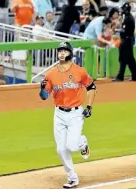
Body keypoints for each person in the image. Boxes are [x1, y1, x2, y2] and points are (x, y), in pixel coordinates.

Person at [39, 41, 97, 188]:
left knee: (72, 146)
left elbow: (91, 88)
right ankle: (72, 177)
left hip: (76, 113)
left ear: (70, 53)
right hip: (59, 113)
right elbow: (44, 96)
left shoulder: (79, 71)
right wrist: (41, 89)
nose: (62, 53)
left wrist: (89, 106)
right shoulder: (51, 74)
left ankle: (82, 142)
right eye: (60, 51)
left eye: (64, 51)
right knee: (60, 149)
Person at [112, 2, 136, 82]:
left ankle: (121, 76)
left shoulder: (128, 18)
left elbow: (124, 30)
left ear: (126, 10)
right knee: (129, 59)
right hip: (127, 40)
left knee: (123, 59)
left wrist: (116, 29)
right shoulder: (127, 17)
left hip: (126, 40)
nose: (121, 10)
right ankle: (134, 76)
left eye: (123, 9)